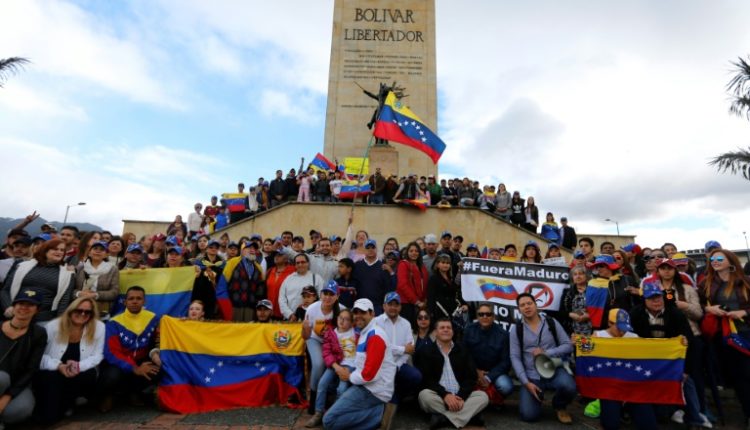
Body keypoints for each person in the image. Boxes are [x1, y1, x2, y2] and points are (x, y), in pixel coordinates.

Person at [630, 283, 705, 428]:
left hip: (672, 361)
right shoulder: (635, 314)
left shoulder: (676, 314)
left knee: (687, 382)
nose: (656, 301)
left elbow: (690, 343)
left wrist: (685, 370)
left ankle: (695, 420)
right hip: (646, 360)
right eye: (651, 298)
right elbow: (629, 339)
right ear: (644, 300)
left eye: (658, 297)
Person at [322, 299, 396, 430]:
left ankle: (380, 414)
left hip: (374, 391)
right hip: (365, 386)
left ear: (372, 313)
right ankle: (375, 413)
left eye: (363, 312)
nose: (358, 315)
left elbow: (369, 375)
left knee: (329, 421)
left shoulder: (375, 335)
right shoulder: (364, 332)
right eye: (356, 312)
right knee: (334, 415)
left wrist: (349, 376)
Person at [699, 249, 750, 426]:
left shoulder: (746, 281)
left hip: (746, 332)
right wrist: (709, 309)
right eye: (712, 259)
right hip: (723, 336)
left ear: (731, 261)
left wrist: (744, 312)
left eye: (720, 258)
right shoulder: (706, 283)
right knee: (739, 376)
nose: (715, 261)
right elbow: (696, 305)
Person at [34, 297, 104, 424]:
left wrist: (78, 366)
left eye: (87, 312)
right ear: (71, 310)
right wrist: (59, 366)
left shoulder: (99, 327)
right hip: (54, 371)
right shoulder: (53, 326)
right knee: (49, 417)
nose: (83, 314)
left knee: (89, 374)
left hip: (78, 372)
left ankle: (68, 402)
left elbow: (98, 355)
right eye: (78, 310)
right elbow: (39, 356)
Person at [510, 293, 576, 424]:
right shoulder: (516, 329)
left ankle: (559, 405)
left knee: (569, 387)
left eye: (529, 303)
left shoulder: (551, 322)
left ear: (536, 305)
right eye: (522, 305)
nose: (527, 307)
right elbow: (515, 357)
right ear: (519, 309)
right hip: (532, 375)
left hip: (554, 369)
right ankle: (536, 399)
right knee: (529, 416)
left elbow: (568, 345)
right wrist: (526, 382)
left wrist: (547, 353)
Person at [414, 317, 489, 429]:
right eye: (442, 328)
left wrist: (461, 396)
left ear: (452, 332)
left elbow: (471, 377)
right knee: (424, 396)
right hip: (439, 396)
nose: (446, 330)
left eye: (449, 328)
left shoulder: (463, 350)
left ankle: (444, 418)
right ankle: (470, 416)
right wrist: (445, 395)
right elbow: (427, 379)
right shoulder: (426, 351)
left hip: (461, 396)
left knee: (483, 396)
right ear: (435, 332)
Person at [592, 308, 657, 430]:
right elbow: (586, 353)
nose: (622, 332)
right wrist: (577, 341)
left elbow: (653, 351)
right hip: (609, 387)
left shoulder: (634, 337)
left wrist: (679, 343)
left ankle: (627, 408)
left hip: (632, 386)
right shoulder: (598, 336)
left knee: (650, 425)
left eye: (625, 328)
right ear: (609, 323)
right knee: (611, 425)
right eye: (619, 328)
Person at [100, 286, 160, 411]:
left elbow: (161, 339)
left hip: (141, 359)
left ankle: (134, 392)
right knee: (111, 376)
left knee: (157, 370)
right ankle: (108, 396)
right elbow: (111, 352)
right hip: (119, 362)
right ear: (125, 302)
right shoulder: (114, 322)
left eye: (138, 298)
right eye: (131, 298)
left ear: (144, 301)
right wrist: (133, 368)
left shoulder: (153, 318)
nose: (135, 301)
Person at [2, 239, 75, 325]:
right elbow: (5, 290)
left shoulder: (67, 273)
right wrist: (8, 306)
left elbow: (64, 300)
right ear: (45, 250)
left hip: (44, 320)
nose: (59, 252)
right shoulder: (22, 266)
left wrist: (59, 322)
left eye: (62, 250)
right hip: (16, 315)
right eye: (55, 249)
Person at [375, 292, 422, 426]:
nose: (393, 308)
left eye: (396, 305)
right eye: (390, 304)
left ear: (400, 307)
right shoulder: (377, 322)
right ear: (384, 306)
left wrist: (398, 365)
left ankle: (396, 396)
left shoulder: (406, 323)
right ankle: (391, 403)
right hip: (382, 365)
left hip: (399, 364)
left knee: (416, 376)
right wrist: (402, 349)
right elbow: (381, 347)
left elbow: (410, 349)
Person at [306, 309, 357, 427]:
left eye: (346, 319)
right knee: (322, 383)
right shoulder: (331, 333)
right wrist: (336, 366)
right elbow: (326, 353)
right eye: (340, 318)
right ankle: (318, 413)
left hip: (350, 365)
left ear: (351, 323)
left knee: (342, 388)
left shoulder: (356, 332)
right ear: (337, 318)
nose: (342, 321)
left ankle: (335, 414)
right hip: (335, 363)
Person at [302, 280, 344, 414]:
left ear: (337, 296)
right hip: (315, 339)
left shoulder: (342, 310)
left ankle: (328, 396)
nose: (327, 297)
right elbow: (306, 336)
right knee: (319, 364)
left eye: (331, 294)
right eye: (325, 293)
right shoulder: (312, 309)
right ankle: (313, 398)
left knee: (333, 365)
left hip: (333, 343)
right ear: (320, 295)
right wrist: (305, 328)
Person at [463, 303, 513, 400]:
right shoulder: (469, 330)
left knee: (506, 386)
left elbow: (506, 361)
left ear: (493, 317)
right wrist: (476, 371)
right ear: (477, 316)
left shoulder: (503, 335)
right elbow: (464, 354)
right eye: (481, 314)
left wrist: (489, 377)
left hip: (495, 373)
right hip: (473, 371)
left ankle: (495, 400)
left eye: (488, 314)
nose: (485, 317)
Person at [74, 240, 119, 318]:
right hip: (78, 308)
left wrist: (96, 295)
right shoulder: (80, 268)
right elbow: (71, 290)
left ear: (106, 254)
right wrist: (79, 294)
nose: (98, 251)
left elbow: (114, 292)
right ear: (89, 252)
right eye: (95, 248)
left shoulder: (112, 269)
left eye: (102, 249)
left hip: (100, 311)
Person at [223, 242, 265, 322]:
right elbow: (224, 283)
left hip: (251, 307)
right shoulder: (232, 262)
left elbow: (261, 290)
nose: (252, 250)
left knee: (248, 328)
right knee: (234, 328)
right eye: (249, 248)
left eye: (254, 248)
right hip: (234, 306)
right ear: (242, 250)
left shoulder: (259, 268)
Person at [280, 254, 324, 321]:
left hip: (311, 318)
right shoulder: (288, 279)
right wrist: (289, 314)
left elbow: (322, 299)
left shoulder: (317, 278)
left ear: (308, 263)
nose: (300, 265)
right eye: (297, 263)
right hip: (290, 319)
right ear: (295, 265)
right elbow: (282, 299)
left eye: (303, 262)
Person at [352, 239, 391, 315]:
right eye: (368, 248)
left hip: (377, 307)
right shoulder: (357, 266)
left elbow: (387, 289)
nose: (370, 250)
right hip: (360, 306)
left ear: (376, 249)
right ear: (364, 250)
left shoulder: (383, 267)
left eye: (373, 247)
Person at [396, 242, 428, 328]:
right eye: (411, 251)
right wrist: (416, 301)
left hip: (420, 305)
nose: (414, 253)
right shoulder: (403, 264)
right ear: (407, 252)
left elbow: (425, 285)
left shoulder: (422, 267)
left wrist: (424, 301)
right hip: (407, 304)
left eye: (416, 251)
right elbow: (402, 285)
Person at [427, 254, 466, 325]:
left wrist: (460, 270)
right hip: (439, 312)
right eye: (443, 262)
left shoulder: (451, 278)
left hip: (452, 311)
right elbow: (430, 297)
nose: (445, 265)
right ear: (437, 264)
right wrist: (431, 313)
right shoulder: (433, 278)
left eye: (448, 263)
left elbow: (456, 289)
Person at [559, 266, 592, 335]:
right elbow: (561, 310)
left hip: (592, 330)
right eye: (575, 274)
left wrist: (589, 315)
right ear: (572, 277)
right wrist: (571, 314)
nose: (578, 276)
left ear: (586, 276)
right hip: (572, 331)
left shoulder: (593, 290)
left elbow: (600, 309)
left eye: (580, 274)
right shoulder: (567, 292)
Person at [265, 251, 295, 320]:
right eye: (275, 255)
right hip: (270, 311)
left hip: (286, 311)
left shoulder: (293, 270)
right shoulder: (270, 271)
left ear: (286, 258)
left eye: (280, 255)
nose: (276, 257)